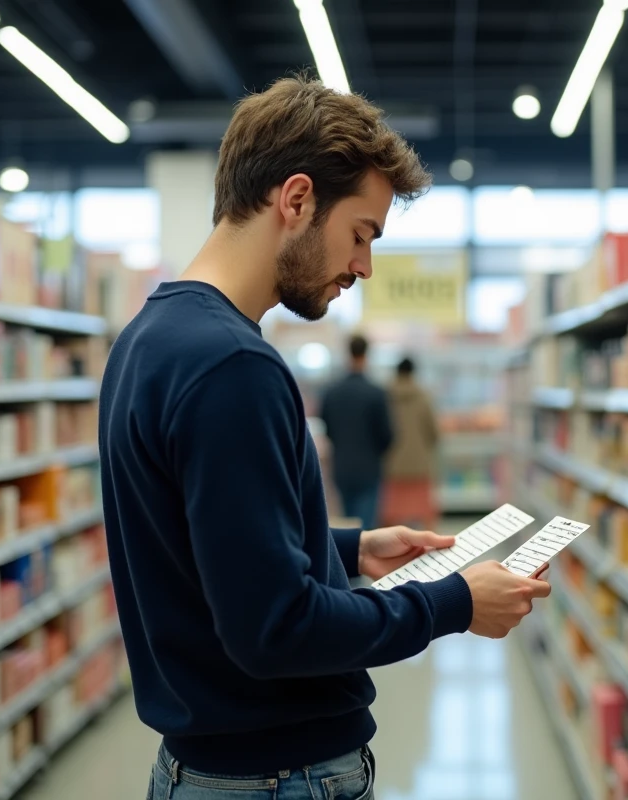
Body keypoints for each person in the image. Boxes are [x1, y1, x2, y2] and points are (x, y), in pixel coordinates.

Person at [98, 75, 552, 800]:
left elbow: (198, 541)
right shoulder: (232, 366)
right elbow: (276, 630)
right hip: (275, 778)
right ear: (297, 199)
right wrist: (454, 604)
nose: (364, 266)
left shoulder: (151, 338)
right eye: (361, 234)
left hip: (210, 767)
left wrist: (347, 548)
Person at [320, 334, 391, 530]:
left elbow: (327, 427)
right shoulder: (375, 393)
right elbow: (387, 435)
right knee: (366, 526)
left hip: (341, 466)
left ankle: (349, 559)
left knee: (347, 522)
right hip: (369, 467)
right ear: (366, 355)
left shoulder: (332, 392)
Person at [382, 356, 439, 529]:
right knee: (425, 514)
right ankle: (432, 550)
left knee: (391, 516)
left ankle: (393, 553)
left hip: (391, 465)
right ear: (413, 373)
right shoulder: (423, 397)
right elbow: (434, 432)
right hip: (419, 465)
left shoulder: (385, 397)